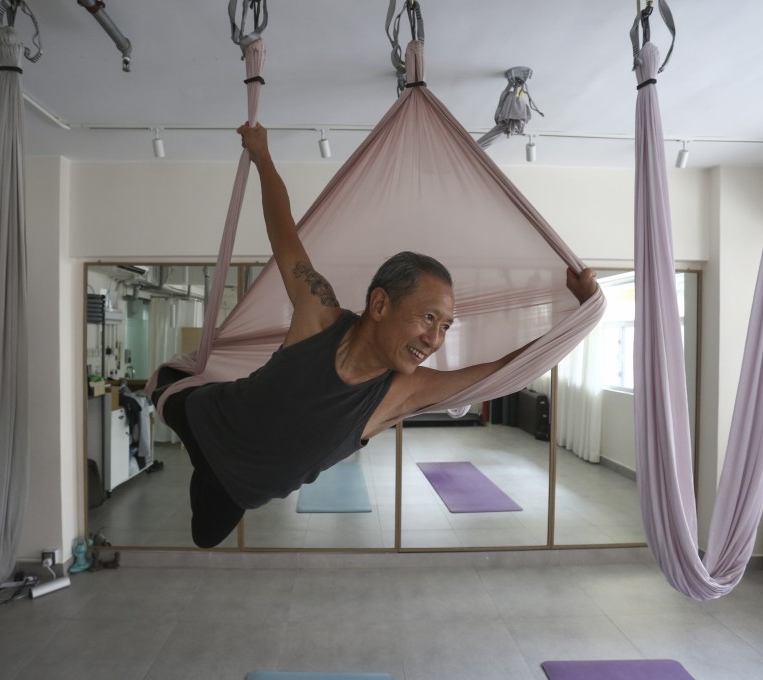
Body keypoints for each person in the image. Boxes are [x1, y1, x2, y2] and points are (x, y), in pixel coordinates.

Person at [152, 122, 598, 548]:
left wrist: (584, 315)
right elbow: (284, 231)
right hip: (202, 417)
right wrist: (263, 156)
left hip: (234, 485)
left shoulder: (403, 391)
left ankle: (208, 461)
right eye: (428, 317)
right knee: (164, 383)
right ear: (381, 305)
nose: (434, 340)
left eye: (445, 327)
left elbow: (504, 369)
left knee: (205, 535)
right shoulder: (319, 316)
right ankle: (194, 390)